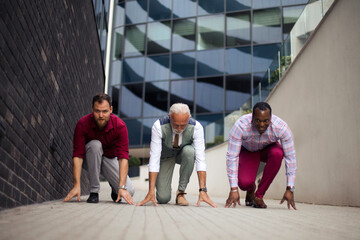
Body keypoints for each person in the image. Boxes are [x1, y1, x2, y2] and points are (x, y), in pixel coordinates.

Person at [137, 103, 217, 207]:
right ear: (169, 117)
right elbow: (154, 158)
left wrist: (203, 190)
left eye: (183, 125)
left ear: (189, 118)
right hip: (165, 157)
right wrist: (150, 191)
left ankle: (181, 193)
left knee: (190, 151)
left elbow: (200, 159)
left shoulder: (197, 128)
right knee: (163, 198)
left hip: (183, 154)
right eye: (176, 125)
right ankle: (157, 193)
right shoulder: (158, 126)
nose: (179, 129)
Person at [64, 93, 134, 204]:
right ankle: (94, 192)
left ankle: (114, 188)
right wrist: (76, 184)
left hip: (109, 159)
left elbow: (123, 157)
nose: (101, 115)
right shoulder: (82, 124)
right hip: (91, 157)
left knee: (129, 191)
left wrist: (121, 186)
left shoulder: (120, 126)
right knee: (95, 145)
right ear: (92, 109)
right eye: (97, 111)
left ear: (111, 109)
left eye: (105, 111)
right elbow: (77, 155)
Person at [225, 102, 296, 210]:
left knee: (278, 153)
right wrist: (234, 189)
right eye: (258, 120)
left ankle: (259, 196)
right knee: (244, 184)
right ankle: (251, 188)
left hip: (267, 149)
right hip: (249, 150)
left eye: (265, 121)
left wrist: (290, 188)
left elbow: (290, 157)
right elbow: (232, 157)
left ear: (270, 119)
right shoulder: (240, 126)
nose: (262, 124)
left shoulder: (281, 127)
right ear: (252, 117)